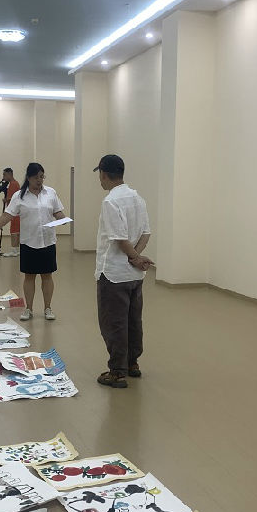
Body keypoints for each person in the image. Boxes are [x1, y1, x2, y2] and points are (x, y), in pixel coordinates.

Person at [93, 154, 153, 389]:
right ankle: (132, 363)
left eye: (99, 175)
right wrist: (136, 258)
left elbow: (118, 238)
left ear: (104, 174)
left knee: (114, 322)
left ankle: (117, 372)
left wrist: (133, 257)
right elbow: (146, 233)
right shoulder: (138, 199)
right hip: (134, 275)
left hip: (114, 274)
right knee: (133, 320)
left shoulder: (111, 201)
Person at [0, 162, 65, 321]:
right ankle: (29, 309)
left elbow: (58, 212)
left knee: (47, 276)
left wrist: (64, 219)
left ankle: (47, 308)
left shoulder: (50, 193)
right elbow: (6, 216)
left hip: (47, 241)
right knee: (29, 277)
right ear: (28, 177)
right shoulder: (19, 196)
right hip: (29, 242)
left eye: (42, 177)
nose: (39, 180)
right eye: (36, 177)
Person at [1, 168, 21, 257]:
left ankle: (14, 251)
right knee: (16, 230)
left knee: (14, 231)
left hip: (14, 212)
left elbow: (11, 198)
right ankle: (17, 249)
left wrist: (5, 200)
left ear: (10, 174)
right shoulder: (15, 183)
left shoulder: (13, 184)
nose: (3, 177)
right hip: (16, 211)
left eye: (4, 175)